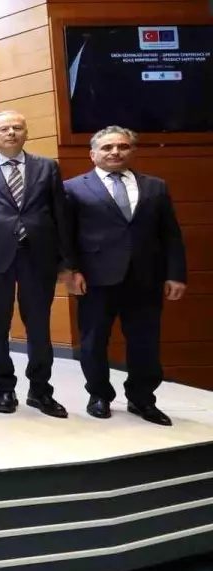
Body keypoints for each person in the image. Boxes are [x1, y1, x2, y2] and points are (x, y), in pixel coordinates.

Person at [64, 126, 186, 426]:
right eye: (107, 148)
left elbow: (170, 234)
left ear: (133, 151)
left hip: (146, 277)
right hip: (95, 278)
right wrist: (71, 271)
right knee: (94, 341)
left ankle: (142, 399)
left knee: (145, 341)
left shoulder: (155, 187)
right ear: (93, 154)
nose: (115, 152)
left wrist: (175, 274)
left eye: (122, 146)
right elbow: (66, 236)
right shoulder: (73, 188)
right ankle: (99, 395)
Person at [0, 111, 73, 418]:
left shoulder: (47, 167)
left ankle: (40, 390)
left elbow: (60, 215)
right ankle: (4, 387)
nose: (11, 132)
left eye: (17, 127)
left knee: (39, 326)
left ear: (27, 133)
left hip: (38, 256)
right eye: (4, 128)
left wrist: (67, 261)